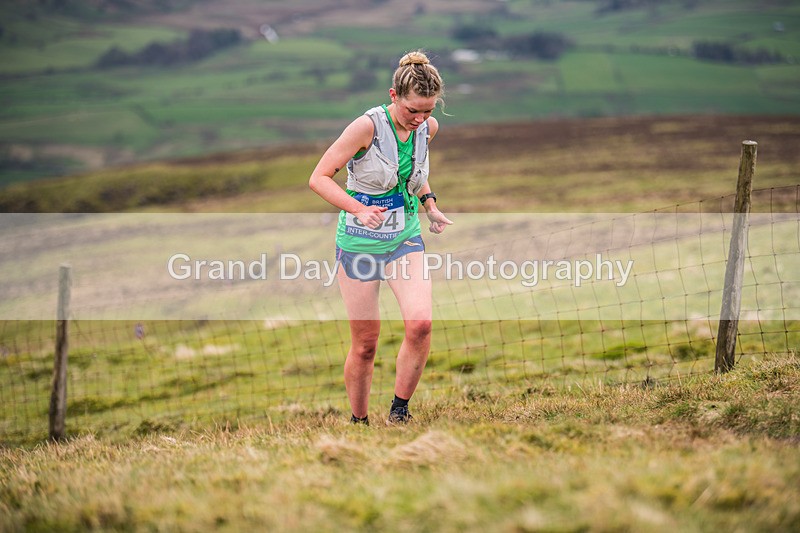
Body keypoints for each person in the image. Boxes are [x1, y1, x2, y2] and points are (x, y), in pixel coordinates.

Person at [308, 50, 453, 425]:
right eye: (412, 111)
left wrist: (430, 204)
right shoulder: (366, 127)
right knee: (365, 344)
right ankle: (359, 422)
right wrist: (358, 209)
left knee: (420, 325)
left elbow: (413, 173)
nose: (420, 119)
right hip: (359, 242)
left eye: (428, 111)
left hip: (404, 236)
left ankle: (399, 411)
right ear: (393, 96)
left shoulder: (428, 128)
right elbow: (319, 178)